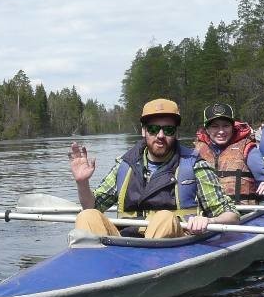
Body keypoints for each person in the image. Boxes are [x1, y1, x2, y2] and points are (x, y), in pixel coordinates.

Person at [68, 98, 240, 239]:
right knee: (87, 215)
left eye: (168, 130)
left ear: (177, 133)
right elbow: (93, 206)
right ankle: (91, 267)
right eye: (153, 129)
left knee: (164, 218)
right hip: (126, 242)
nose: (160, 136)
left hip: (172, 241)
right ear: (144, 131)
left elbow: (231, 215)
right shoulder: (124, 165)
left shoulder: (195, 165)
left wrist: (208, 221)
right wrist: (82, 183)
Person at [194, 103, 264, 203]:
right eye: (215, 126)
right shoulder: (196, 152)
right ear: (207, 129)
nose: (221, 131)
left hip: (243, 213)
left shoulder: (248, 149)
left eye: (226, 126)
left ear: (233, 127)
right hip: (207, 215)